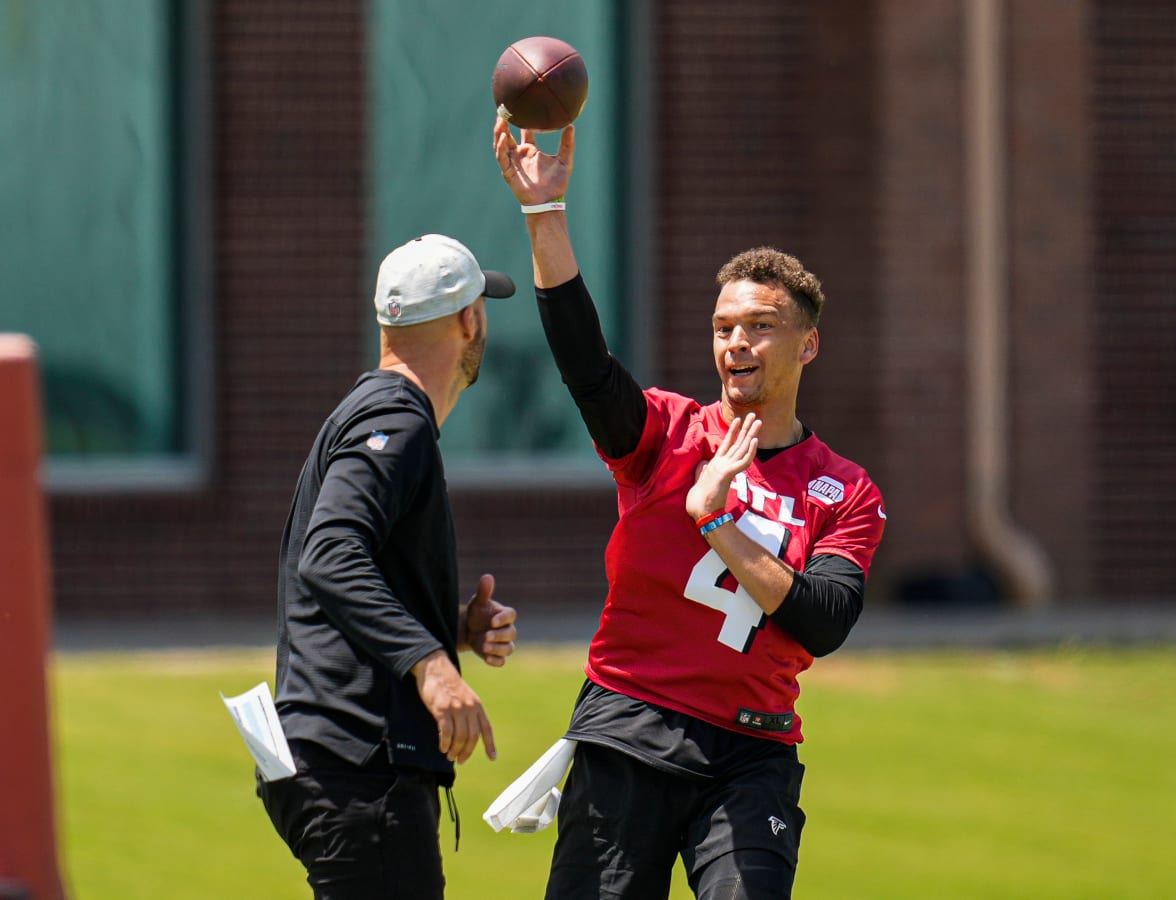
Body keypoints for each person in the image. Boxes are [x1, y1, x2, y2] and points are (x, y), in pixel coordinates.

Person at [494, 118, 887, 900]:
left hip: (752, 752)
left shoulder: (845, 489)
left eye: (761, 327)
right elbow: (586, 367)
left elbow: (824, 620)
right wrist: (545, 213)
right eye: (723, 328)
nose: (737, 343)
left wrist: (717, 522)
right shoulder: (669, 433)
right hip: (629, 729)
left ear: (807, 345)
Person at [259, 233, 520, 899]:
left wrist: (449, 625)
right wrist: (431, 666)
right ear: (470, 321)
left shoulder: (371, 409)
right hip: (358, 762)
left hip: (333, 757)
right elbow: (331, 552)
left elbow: (347, 564)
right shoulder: (395, 420)